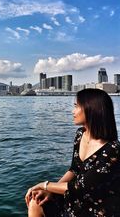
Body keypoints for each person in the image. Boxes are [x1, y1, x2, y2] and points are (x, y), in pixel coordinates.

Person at [25, 88, 120, 217]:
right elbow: (74, 169)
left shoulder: (112, 149)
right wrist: (51, 192)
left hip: (97, 208)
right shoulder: (81, 134)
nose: (72, 111)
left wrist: (45, 185)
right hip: (74, 199)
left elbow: (80, 186)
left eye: (76, 106)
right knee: (36, 201)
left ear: (91, 109)